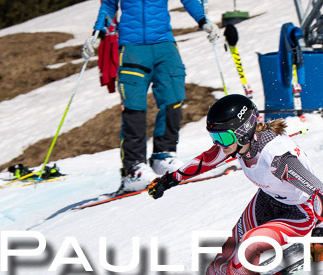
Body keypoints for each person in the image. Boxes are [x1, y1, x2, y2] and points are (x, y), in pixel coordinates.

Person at [147, 94, 323, 275]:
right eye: (214, 137)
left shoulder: (277, 158)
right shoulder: (239, 145)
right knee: (225, 256)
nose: (218, 144)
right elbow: (207, 159)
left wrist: (320, 230)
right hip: (267, 200)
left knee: (249, 245)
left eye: (222, 138)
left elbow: (318, 190)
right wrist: (169, 180)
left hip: (299, 213)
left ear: (242, 131)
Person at [82, 0, 221, 194]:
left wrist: (203, 20)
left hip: (164, 43)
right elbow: (108, 5)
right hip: (132, 48)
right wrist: (97, 33)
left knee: (173, 99)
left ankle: (162, 157)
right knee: (134, 107)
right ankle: (133, 169)